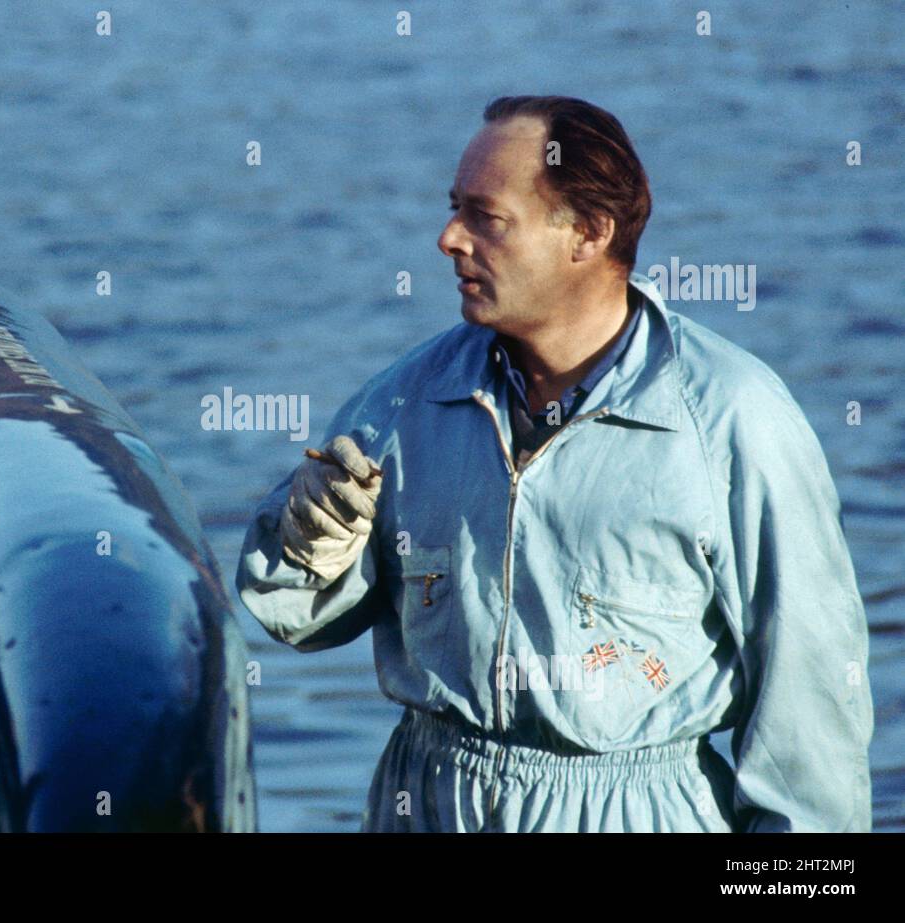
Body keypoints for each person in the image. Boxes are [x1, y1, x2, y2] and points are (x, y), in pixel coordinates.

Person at [234, 96, 874, 832]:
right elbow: (297, 619)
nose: (448, 238)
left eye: (486, 217)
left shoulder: (732, 423)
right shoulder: (407, 402)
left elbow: (812, 707)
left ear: (589, 233)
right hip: (427, 801)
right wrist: (309, 546)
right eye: (453, 209)